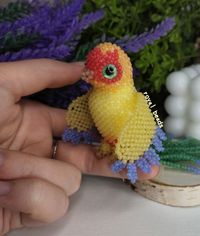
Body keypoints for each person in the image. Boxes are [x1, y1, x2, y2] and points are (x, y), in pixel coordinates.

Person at [0, 59, 158, 235]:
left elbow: (145, 119)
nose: (92, 74)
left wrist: (130, 146)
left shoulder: (133, 99)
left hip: (125, 141)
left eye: (108, 70)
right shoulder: (94, 97)